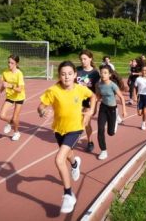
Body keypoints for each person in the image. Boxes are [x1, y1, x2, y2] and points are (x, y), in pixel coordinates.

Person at [37, 61, 96, 214]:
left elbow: (93, 96)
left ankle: (69, 195)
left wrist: (90, 111)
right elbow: (41, 106)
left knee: (59, 159)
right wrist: (42, 112)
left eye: (70, 73)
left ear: (75, 75)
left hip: (75, 129)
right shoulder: (53, 90)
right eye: (63, 74)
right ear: (59, 75)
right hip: (59, 130)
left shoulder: (80, 89)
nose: (66, 77)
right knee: (68, 154)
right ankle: (75, 164)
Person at [95, 65, 127, 160]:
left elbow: (121, 97)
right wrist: (93, 108)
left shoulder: (113, 85)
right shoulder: (98, 85)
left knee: (111, 133)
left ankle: (116, 121)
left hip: (112, 109)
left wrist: (124, 110)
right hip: (103, 108)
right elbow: (98, 97)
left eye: (105, 73)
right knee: (100, 129)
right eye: (101, 72)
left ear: (110, 74)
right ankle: (103, 151)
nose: (103, 74)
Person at [0, 54, 25, 141]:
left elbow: (20, 89)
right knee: (1, 116)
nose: (9, 65)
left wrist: (10, 86)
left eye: (12, 63)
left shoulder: (19, 74)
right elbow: (4, 85)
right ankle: (9, 122)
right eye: (8, 62)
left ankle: (16, 132)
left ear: (17, 63)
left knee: (15, 118)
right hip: (10, 96)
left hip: (19, 97)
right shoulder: (5, 72)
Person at [77, 50, 100, 153]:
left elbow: (97, 89)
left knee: (86, 122)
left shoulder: (94, 73)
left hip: (89, 100)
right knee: (76, 120)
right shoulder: (77, 70)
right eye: (81, 59)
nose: (83, 61)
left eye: (85, 59)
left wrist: (95, 103)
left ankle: (90, 141)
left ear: (90, 58)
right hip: (76, 100)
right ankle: (74, 137)